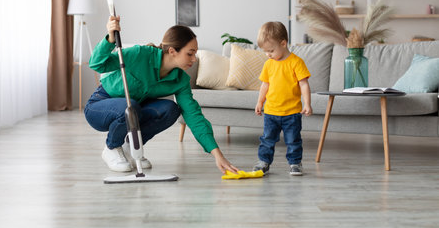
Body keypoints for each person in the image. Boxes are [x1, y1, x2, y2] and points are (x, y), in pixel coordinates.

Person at [85, 16, 238, 174]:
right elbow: (97, 63)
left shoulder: (180, 80)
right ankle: (111, 147)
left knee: (170, 109)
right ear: (172, 51)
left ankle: (131, 147)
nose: (194, 59)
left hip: (133, 110)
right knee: (131, 106)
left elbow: (194, 115)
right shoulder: (140, 54)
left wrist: (217, 154)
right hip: (101, 105)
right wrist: (110, 38)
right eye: (190, 54)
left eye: (195, 54)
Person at [252, 22, 312, 176]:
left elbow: (304, 84)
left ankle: (295, 163)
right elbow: (265, 85)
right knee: (267, 139)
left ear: (283, 43)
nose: (268, 54)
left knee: (293, 140)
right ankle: (263, 162)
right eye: (265, 51)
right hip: (271, 112)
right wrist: (260, 102)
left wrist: (307, 104)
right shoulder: (268, 64)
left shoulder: (296, 62)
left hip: (291, 113)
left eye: (271, 50)